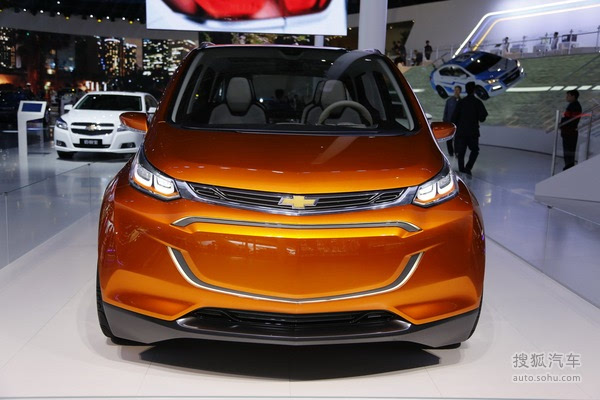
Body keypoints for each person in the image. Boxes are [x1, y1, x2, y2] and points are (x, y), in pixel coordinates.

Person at [451, 81, 488, 176]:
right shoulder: (478, 102)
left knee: (461, 153)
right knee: (475, 150)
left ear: (466, 90)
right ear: (474, 90)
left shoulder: (461, 102)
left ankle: (461, 170)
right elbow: (482, 118)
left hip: (461, 132)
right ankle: (468, 167)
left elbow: (454, 118)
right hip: (473, 132)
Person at [560, 89, 582, 170]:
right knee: (568, 150)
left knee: (569, 150)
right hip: (568, 131)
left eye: (568, 95)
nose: (566, 97)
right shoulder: (572, 105)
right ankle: (568, 166)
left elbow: (571, 120)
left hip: (570, 132)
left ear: (573, 96)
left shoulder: (575, 106)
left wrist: (562, 123)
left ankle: (569, 167)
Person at [443, 86, 461, 156]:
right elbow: (446, 112)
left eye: (458, 90)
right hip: (449, 122)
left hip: (458, 123)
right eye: (455, 90)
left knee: (457, 139)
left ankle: (457, 152)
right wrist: (445, 121)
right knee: (449, 138)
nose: (456, 91)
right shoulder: (449, 101)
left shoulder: (462, 102)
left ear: (460, 91)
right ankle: (450, 152)